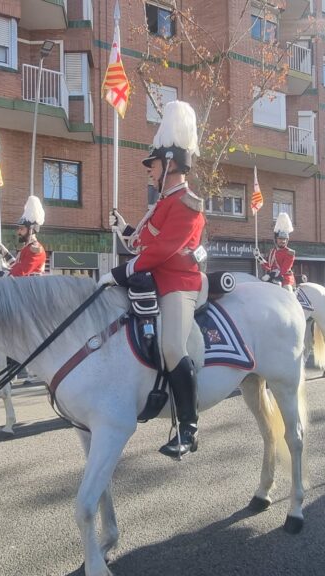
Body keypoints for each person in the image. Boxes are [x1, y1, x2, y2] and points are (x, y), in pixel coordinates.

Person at [101, 100, 205, 458]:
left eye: (153, 164)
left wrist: (120, 272)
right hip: (154, 284)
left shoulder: (188, 203)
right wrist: (123, 228)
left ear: (171, 164)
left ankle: (188, 428)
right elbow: (143, 242)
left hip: (178, 285)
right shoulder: (160, 204)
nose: (149, 171)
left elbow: (163, 252)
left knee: (173, 347)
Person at [0, 196, 47, 277]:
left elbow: (21, 272)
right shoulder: (26, 248)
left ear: (31, 229)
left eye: (21, 229)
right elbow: (17, 266)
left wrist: (4, 275)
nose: (18, 232)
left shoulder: (35, 249)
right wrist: (6, 255)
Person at [256, 213, 296, 291]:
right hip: (273, 276)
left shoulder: (290, 252)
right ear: (276, 239)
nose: (283, 241)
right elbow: (269, 266)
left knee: (287, 290)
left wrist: (271, 274)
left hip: (285, 279)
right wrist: (259, 258)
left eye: (285, 239)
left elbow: (284, 269)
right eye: (280, 239)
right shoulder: (272, 251)